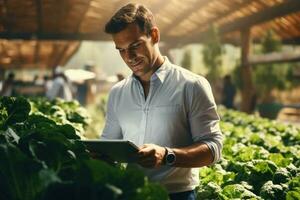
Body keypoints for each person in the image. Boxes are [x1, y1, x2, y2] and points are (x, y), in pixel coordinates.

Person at [100, 3, 223, 199]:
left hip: (177, 195)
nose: (129, 57)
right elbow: (108, 145)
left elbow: (213, 148)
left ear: (154, 36)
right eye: (121, 50)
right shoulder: (117, 93)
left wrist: (167, 155)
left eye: (135, 45)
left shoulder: (192, 85)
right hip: (131, 194)